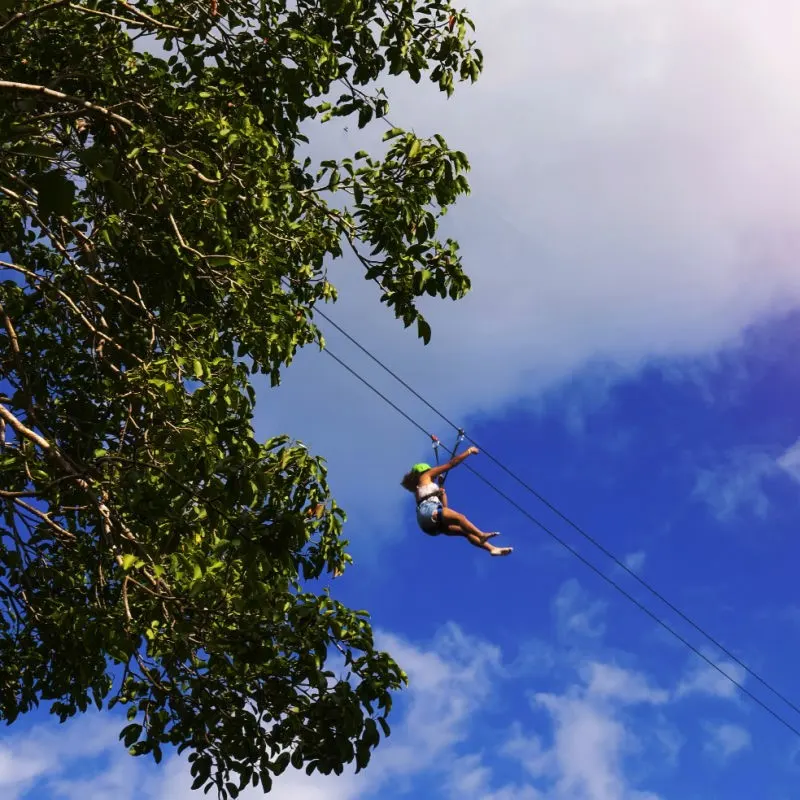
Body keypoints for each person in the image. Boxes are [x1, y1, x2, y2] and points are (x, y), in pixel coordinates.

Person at [401, 446, 513, 557]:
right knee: (461, 518)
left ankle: (492, 549)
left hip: (427, 523)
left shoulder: (419, 489)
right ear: (425, 471)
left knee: (465, 531)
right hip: (428, 511)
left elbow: (445, 507)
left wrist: (441, 490)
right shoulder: (426, 474)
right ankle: (481, 534)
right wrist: (468, 451)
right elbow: (451, 464)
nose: (434, 477)